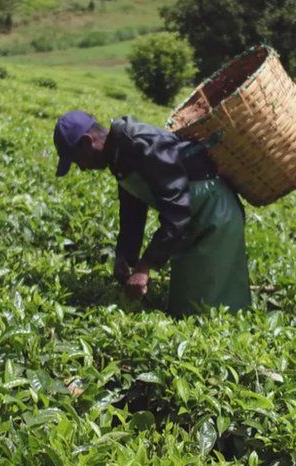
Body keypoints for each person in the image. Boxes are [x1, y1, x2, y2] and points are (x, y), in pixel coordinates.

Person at [53, 110, 251, 316]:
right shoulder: (117, 154)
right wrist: (125, 257)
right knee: (185, 304)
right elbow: (132, 212)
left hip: (214, 217)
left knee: (210, 310)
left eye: (78, 160)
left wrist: (144, 267)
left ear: (87, 141)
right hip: (192, 222)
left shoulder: (141, 144)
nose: (83, 168)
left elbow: (177, 211)